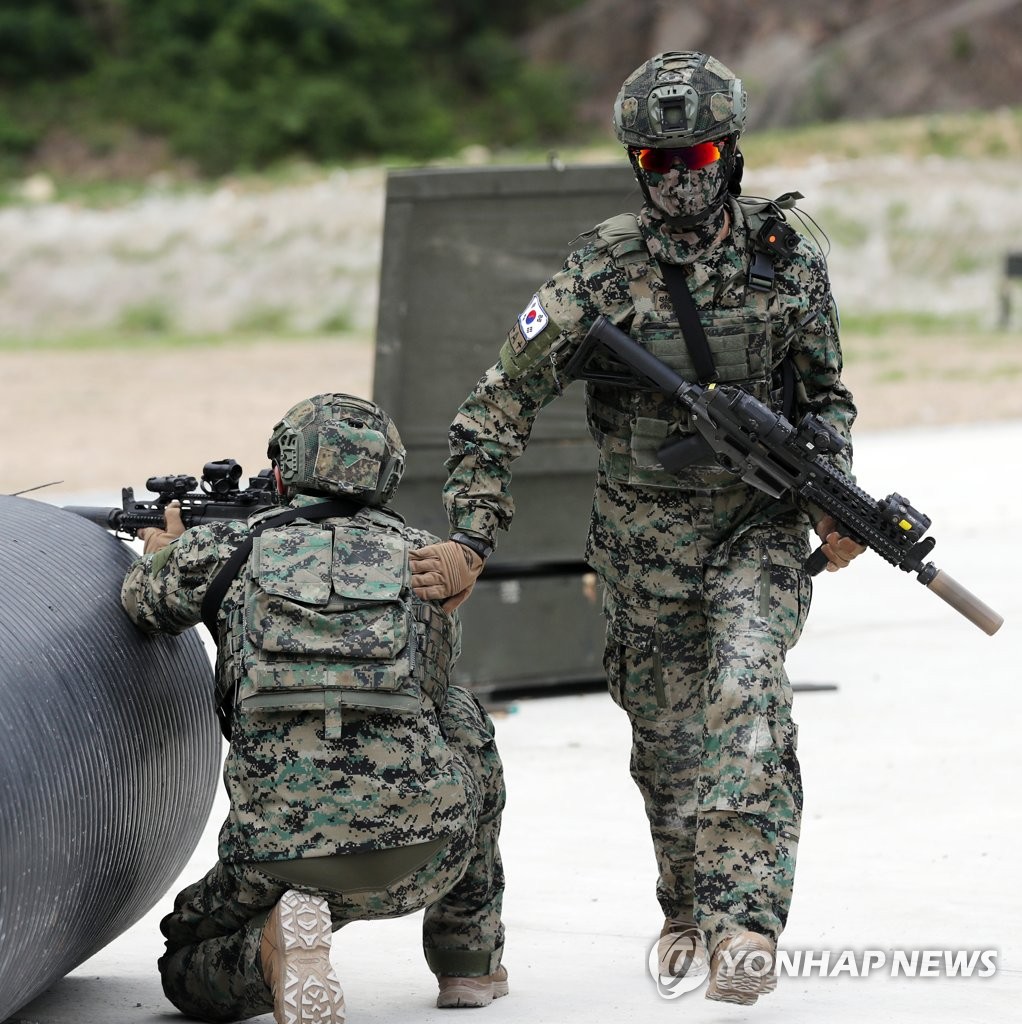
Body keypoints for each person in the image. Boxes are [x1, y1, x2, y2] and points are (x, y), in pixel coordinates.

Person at [409, 51, 864, 1006]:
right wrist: (472, 538)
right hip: (640, 544)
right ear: (634, 165)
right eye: (657, 161)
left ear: (732, 151)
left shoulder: (790, 260)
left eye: (696, 151)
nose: (681, 176)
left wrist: (834, 486)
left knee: (746, 694)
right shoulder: (599, 272)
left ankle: (746, 925)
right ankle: (688, 905)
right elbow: (495, 407)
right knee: (663, 744)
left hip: (759, 531)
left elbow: (829, 396)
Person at [121, 394, 507, 1024]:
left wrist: (167, 552)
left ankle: (275, 949)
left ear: (283, 468)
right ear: (386, 474)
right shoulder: (428, 562)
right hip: (426, 855)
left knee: (184, 964)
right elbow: (435, 673)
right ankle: (469, 963)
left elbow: (144, 604)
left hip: (276, 856)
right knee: (461, 718)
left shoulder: (227, 549)